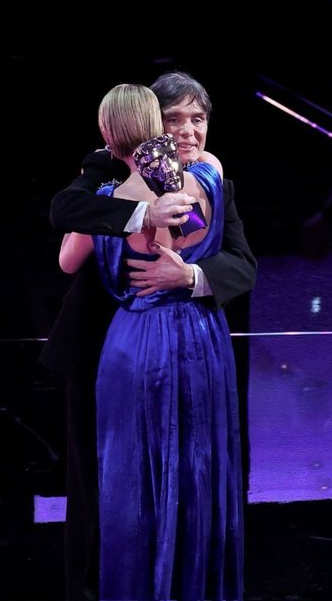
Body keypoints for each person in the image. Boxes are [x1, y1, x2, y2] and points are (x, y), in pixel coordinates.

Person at [41, 71, 255, 601]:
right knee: (139, 477)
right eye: (174, 119)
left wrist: (191, 277)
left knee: (147, 475)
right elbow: (66, 214)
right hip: (148, 346)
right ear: (153, 125)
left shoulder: (201, 178)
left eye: (198, 119)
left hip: (139, 343)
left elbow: (242, 266)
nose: (188, 131)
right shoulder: (202, 179)